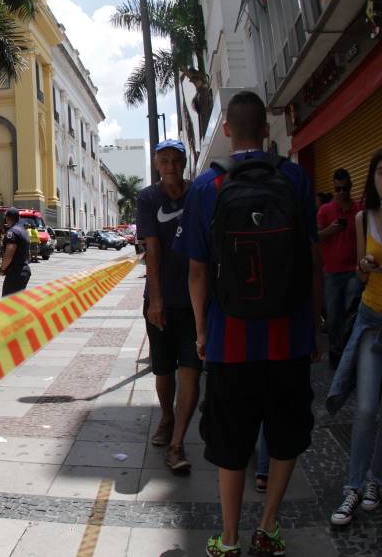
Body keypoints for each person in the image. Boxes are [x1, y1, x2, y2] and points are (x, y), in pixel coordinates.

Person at [173, 91, 320, 557]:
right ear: (269, 130)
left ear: (227, 131)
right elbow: (311, 259)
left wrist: (201, 331)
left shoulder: (205, 188)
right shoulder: (295, 178)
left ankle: (230, 538)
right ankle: (269, 527)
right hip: (289, 335)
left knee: (230, 440)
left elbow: (196, 271)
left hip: (229, 341)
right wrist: (315, 327)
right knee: (285, 433)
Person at [136, 139, 202, 472]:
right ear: (156, 164)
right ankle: (166, 416)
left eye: (177, 160)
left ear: (185, 162)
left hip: (196, 301)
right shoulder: (148, 198)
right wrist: (156, 299)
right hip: (161, 299)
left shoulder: (199, 193)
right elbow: (152, 250)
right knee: (164, 371)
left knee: (191, 368)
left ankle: (177, 444)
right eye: (165, 161)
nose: (171, 167)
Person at [327, 148, 382, 526]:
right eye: (380, 172)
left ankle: (375, 480)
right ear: (373, 178)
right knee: (364, 410)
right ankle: (353, 486)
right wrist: (364, 267)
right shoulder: (365, 218)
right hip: (371, 319)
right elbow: (362, 275)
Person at [317, 168, 363, 366]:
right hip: (332, 273)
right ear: (334, 188)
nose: (342, 192)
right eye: (338, 189)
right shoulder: (325, 211)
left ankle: (349, 352)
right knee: (334, 316)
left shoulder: (359, 210)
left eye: (345, 188)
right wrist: (332, 228)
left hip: (353, 271)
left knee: (349, 311)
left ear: (351, 186)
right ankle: (337, 350)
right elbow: (316, 236)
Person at [0, 207, 30, 296]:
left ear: (7, 218)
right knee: (17, 303)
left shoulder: (12, 232)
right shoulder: (24, 231)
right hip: (24, 270)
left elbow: (9, 253)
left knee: (7, 303)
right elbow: (28, 254)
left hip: (15, 273)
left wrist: (2, 268)